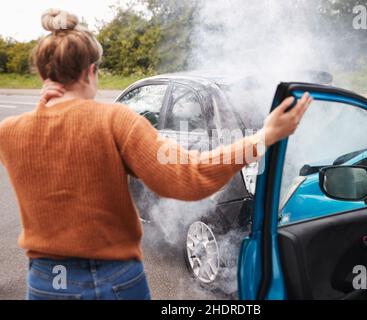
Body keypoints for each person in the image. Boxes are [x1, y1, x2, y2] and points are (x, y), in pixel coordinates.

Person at [0, 9, 312, 300]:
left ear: (43, 75)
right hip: (114, 279)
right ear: (91, 71)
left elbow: (52, 139)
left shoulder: (10, 132)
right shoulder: (116, 121)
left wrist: (45, 110)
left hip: (44, 283)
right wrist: (265, 137)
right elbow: (188, 178)